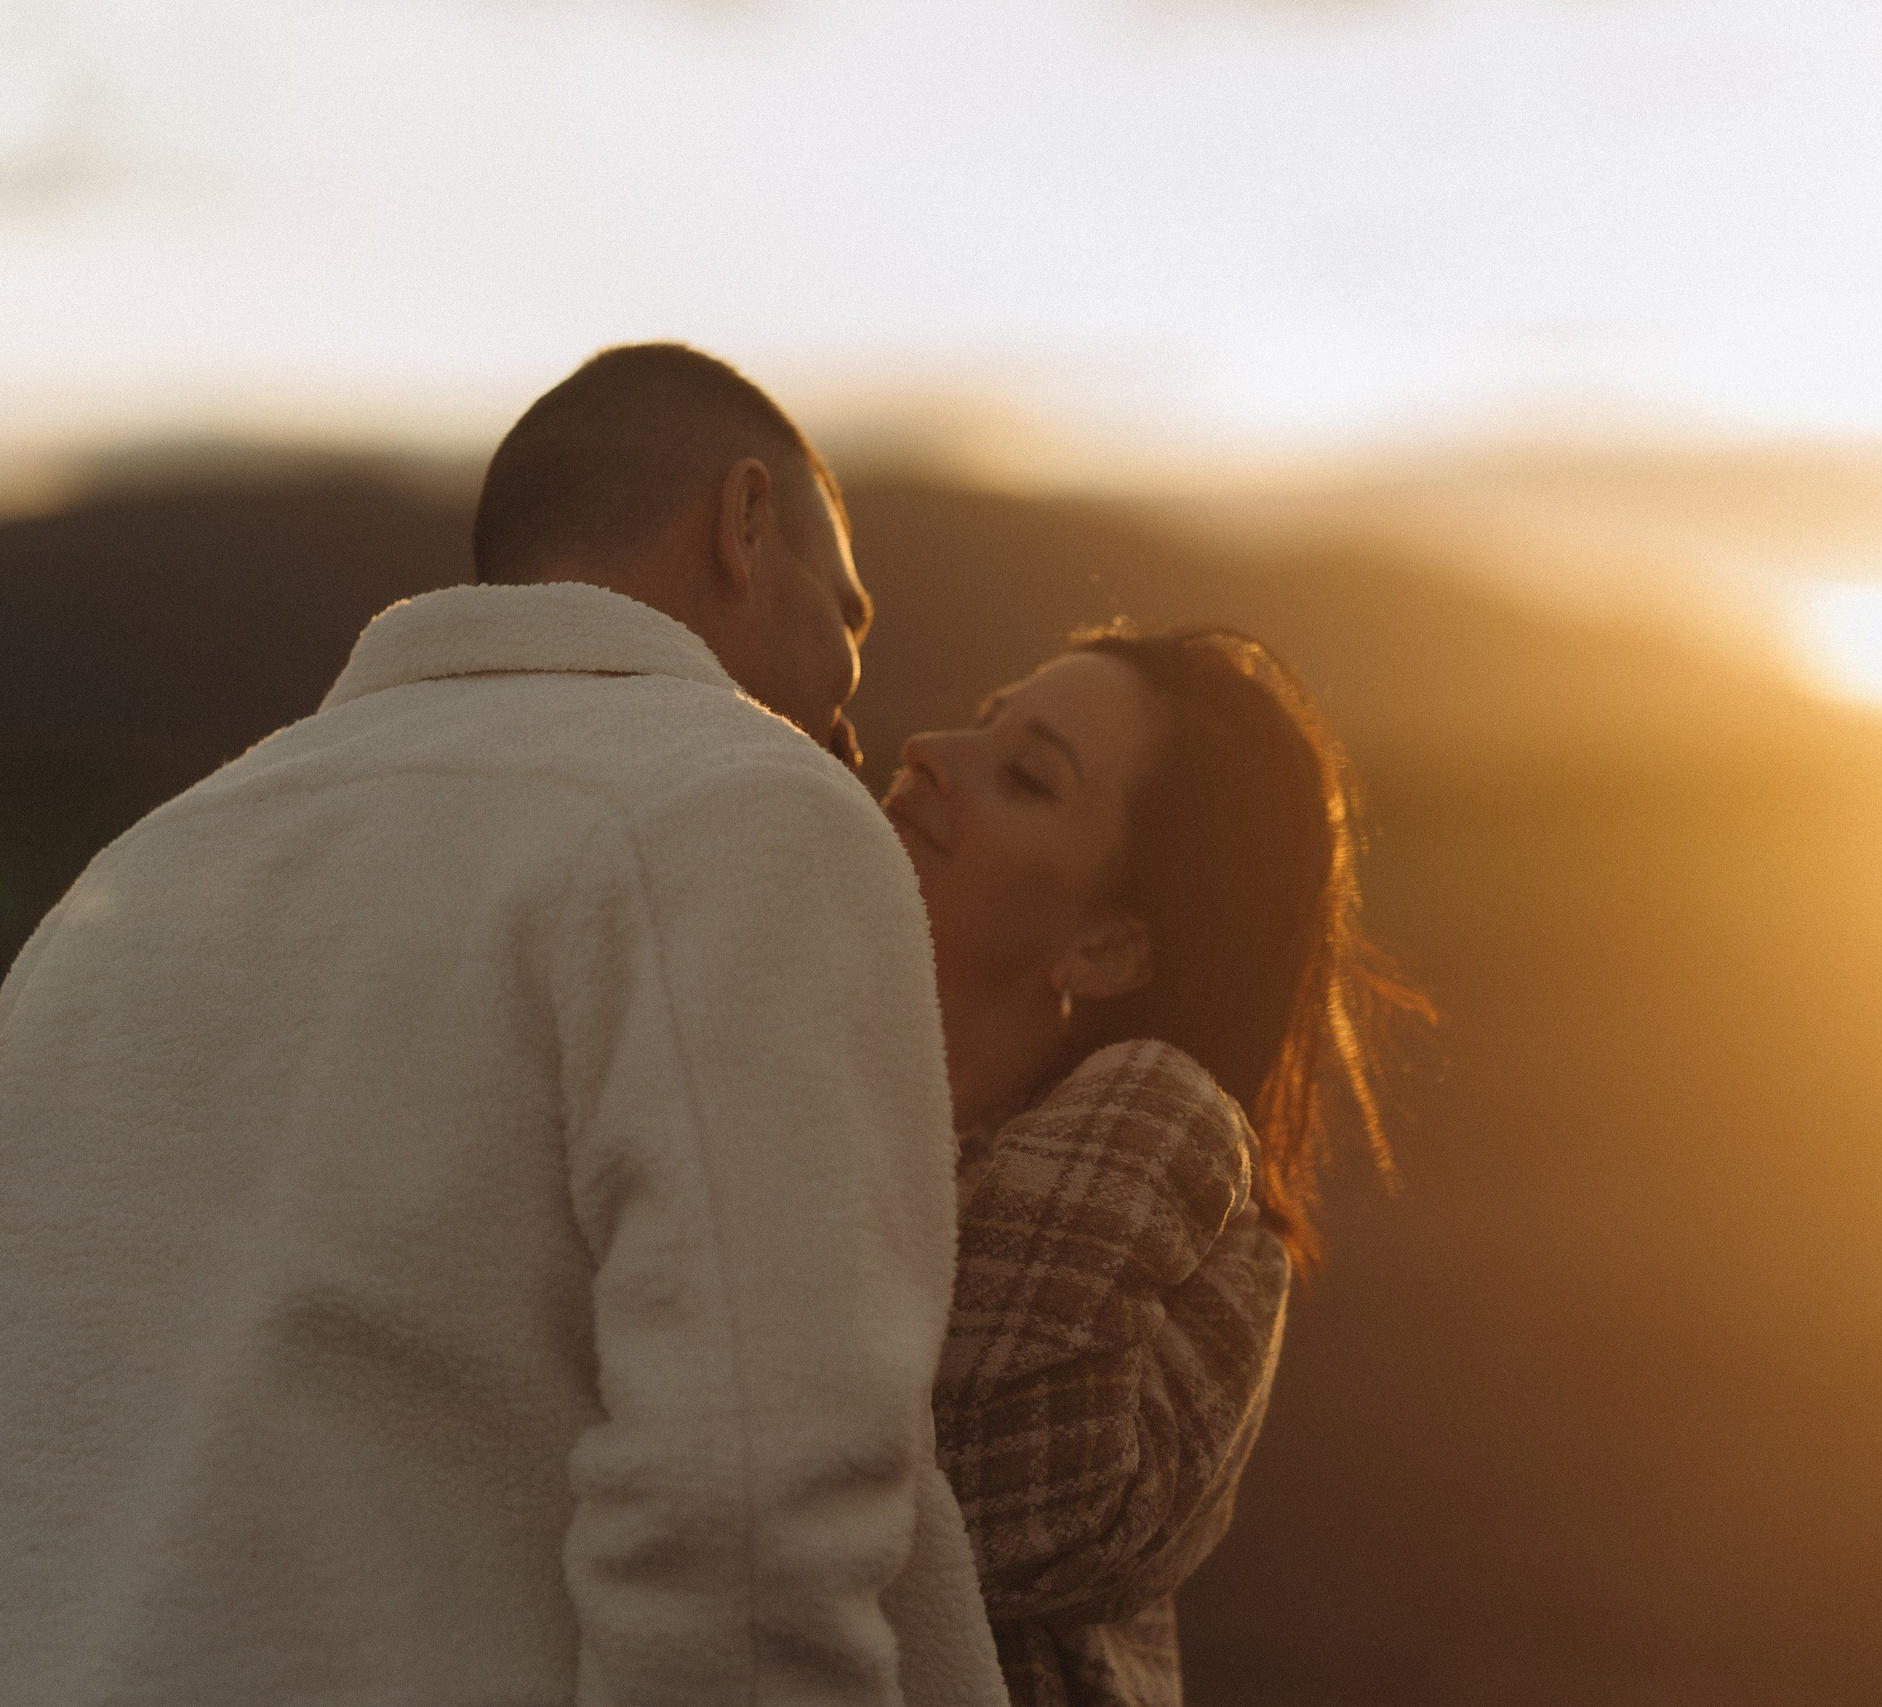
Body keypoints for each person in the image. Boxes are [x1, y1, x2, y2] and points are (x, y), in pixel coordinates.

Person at [0, 344, 1004, 1706]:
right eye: (849, 615)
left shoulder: (138, 870)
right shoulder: (743, 806)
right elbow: (753, 1505)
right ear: (744, 521)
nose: (849, 703)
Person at [880, 626, 1428, 1705]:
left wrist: (1155, 1103)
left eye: (1028, 775)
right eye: (984, 719)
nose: (932, 748)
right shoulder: (769, 1096)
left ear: (1110, 950)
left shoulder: (1198, 1240)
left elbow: (995, 1511)